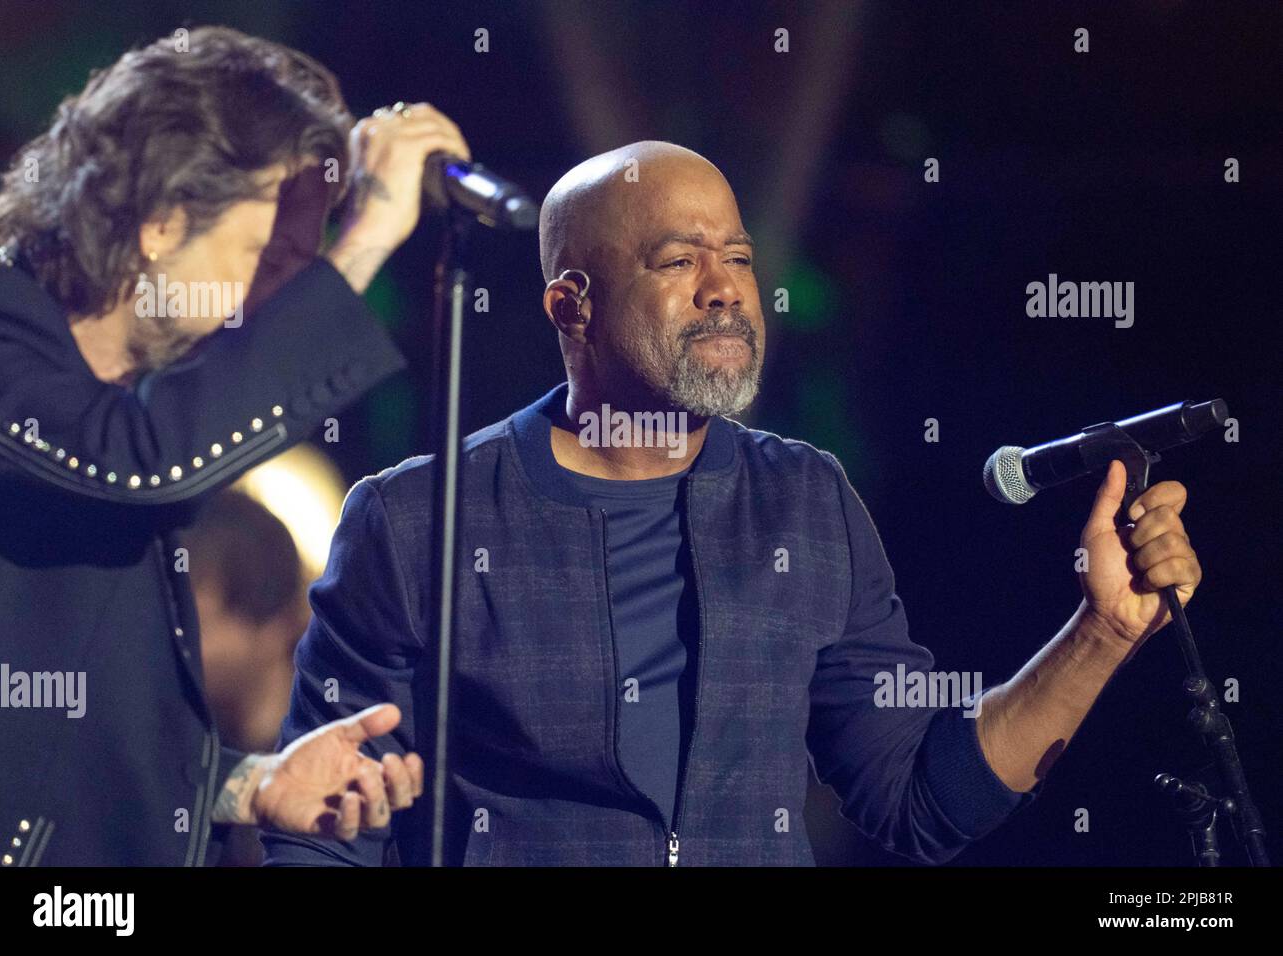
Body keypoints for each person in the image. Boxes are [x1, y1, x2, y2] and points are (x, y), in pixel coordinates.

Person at [262, 141, 1202, 866]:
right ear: (569, 307)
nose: (724, 290)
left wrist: (1101, 634)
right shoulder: (421, 520)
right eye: (678, 262)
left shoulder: (804, 501)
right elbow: (317, 836)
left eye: (739, 258)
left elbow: (919, 800)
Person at [0, 25, 470, 866]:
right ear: (161, 225)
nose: (278, 298)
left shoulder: (109, 412)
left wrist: (248, 785)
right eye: (264, 255)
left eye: (303, 264)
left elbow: (52, 740)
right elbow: (143, 462)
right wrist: (365, 242)